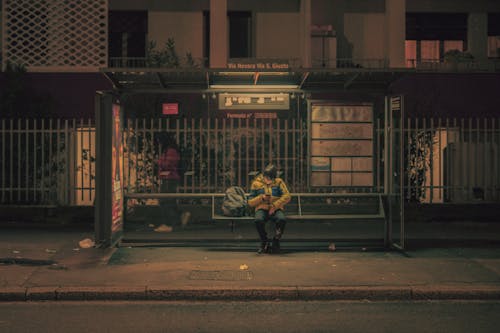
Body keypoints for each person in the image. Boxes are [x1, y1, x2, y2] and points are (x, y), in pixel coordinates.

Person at [248, 164, 291, 254]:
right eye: (266, 177)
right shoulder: (256, 183)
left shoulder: (279, 182)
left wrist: (275, 205)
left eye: (270, 178)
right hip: (261, 207)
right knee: (258, 220)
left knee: (281, 219)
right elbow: (250, 202)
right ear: (263, 176)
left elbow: (287, 196)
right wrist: (261, 198)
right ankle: (264, 241)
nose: (268, 180)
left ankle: (276, 240)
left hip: (275, 208)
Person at [157, 141, 190, 228]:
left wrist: (160, 162)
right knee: (168, 201)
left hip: (169, 179)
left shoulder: (171, 151)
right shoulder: (169, 151)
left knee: (166, 201)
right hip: (167, 179)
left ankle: (170, 223)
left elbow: (169, 164)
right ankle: (177, 219)